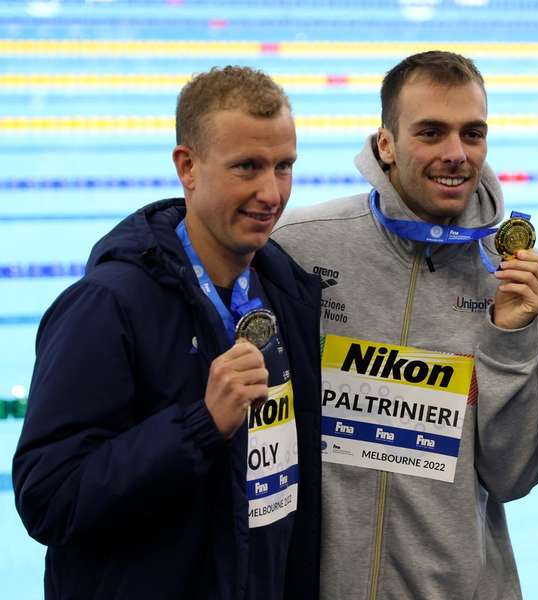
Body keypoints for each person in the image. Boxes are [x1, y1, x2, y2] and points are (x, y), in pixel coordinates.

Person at [13, 66, 322, 599]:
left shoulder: (287, 293)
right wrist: (200, 425)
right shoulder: (107, 306)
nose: (270, 192)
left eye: (283, 166)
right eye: (246, 167)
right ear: (188, 167)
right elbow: (49, 496)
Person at [273, 50, 538, 599]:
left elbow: (512, 478)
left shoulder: (519, 279)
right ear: (386, 143)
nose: (456, 154)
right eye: (431, 132)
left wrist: (511, 338)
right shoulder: (301, 246)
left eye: (472, 134)